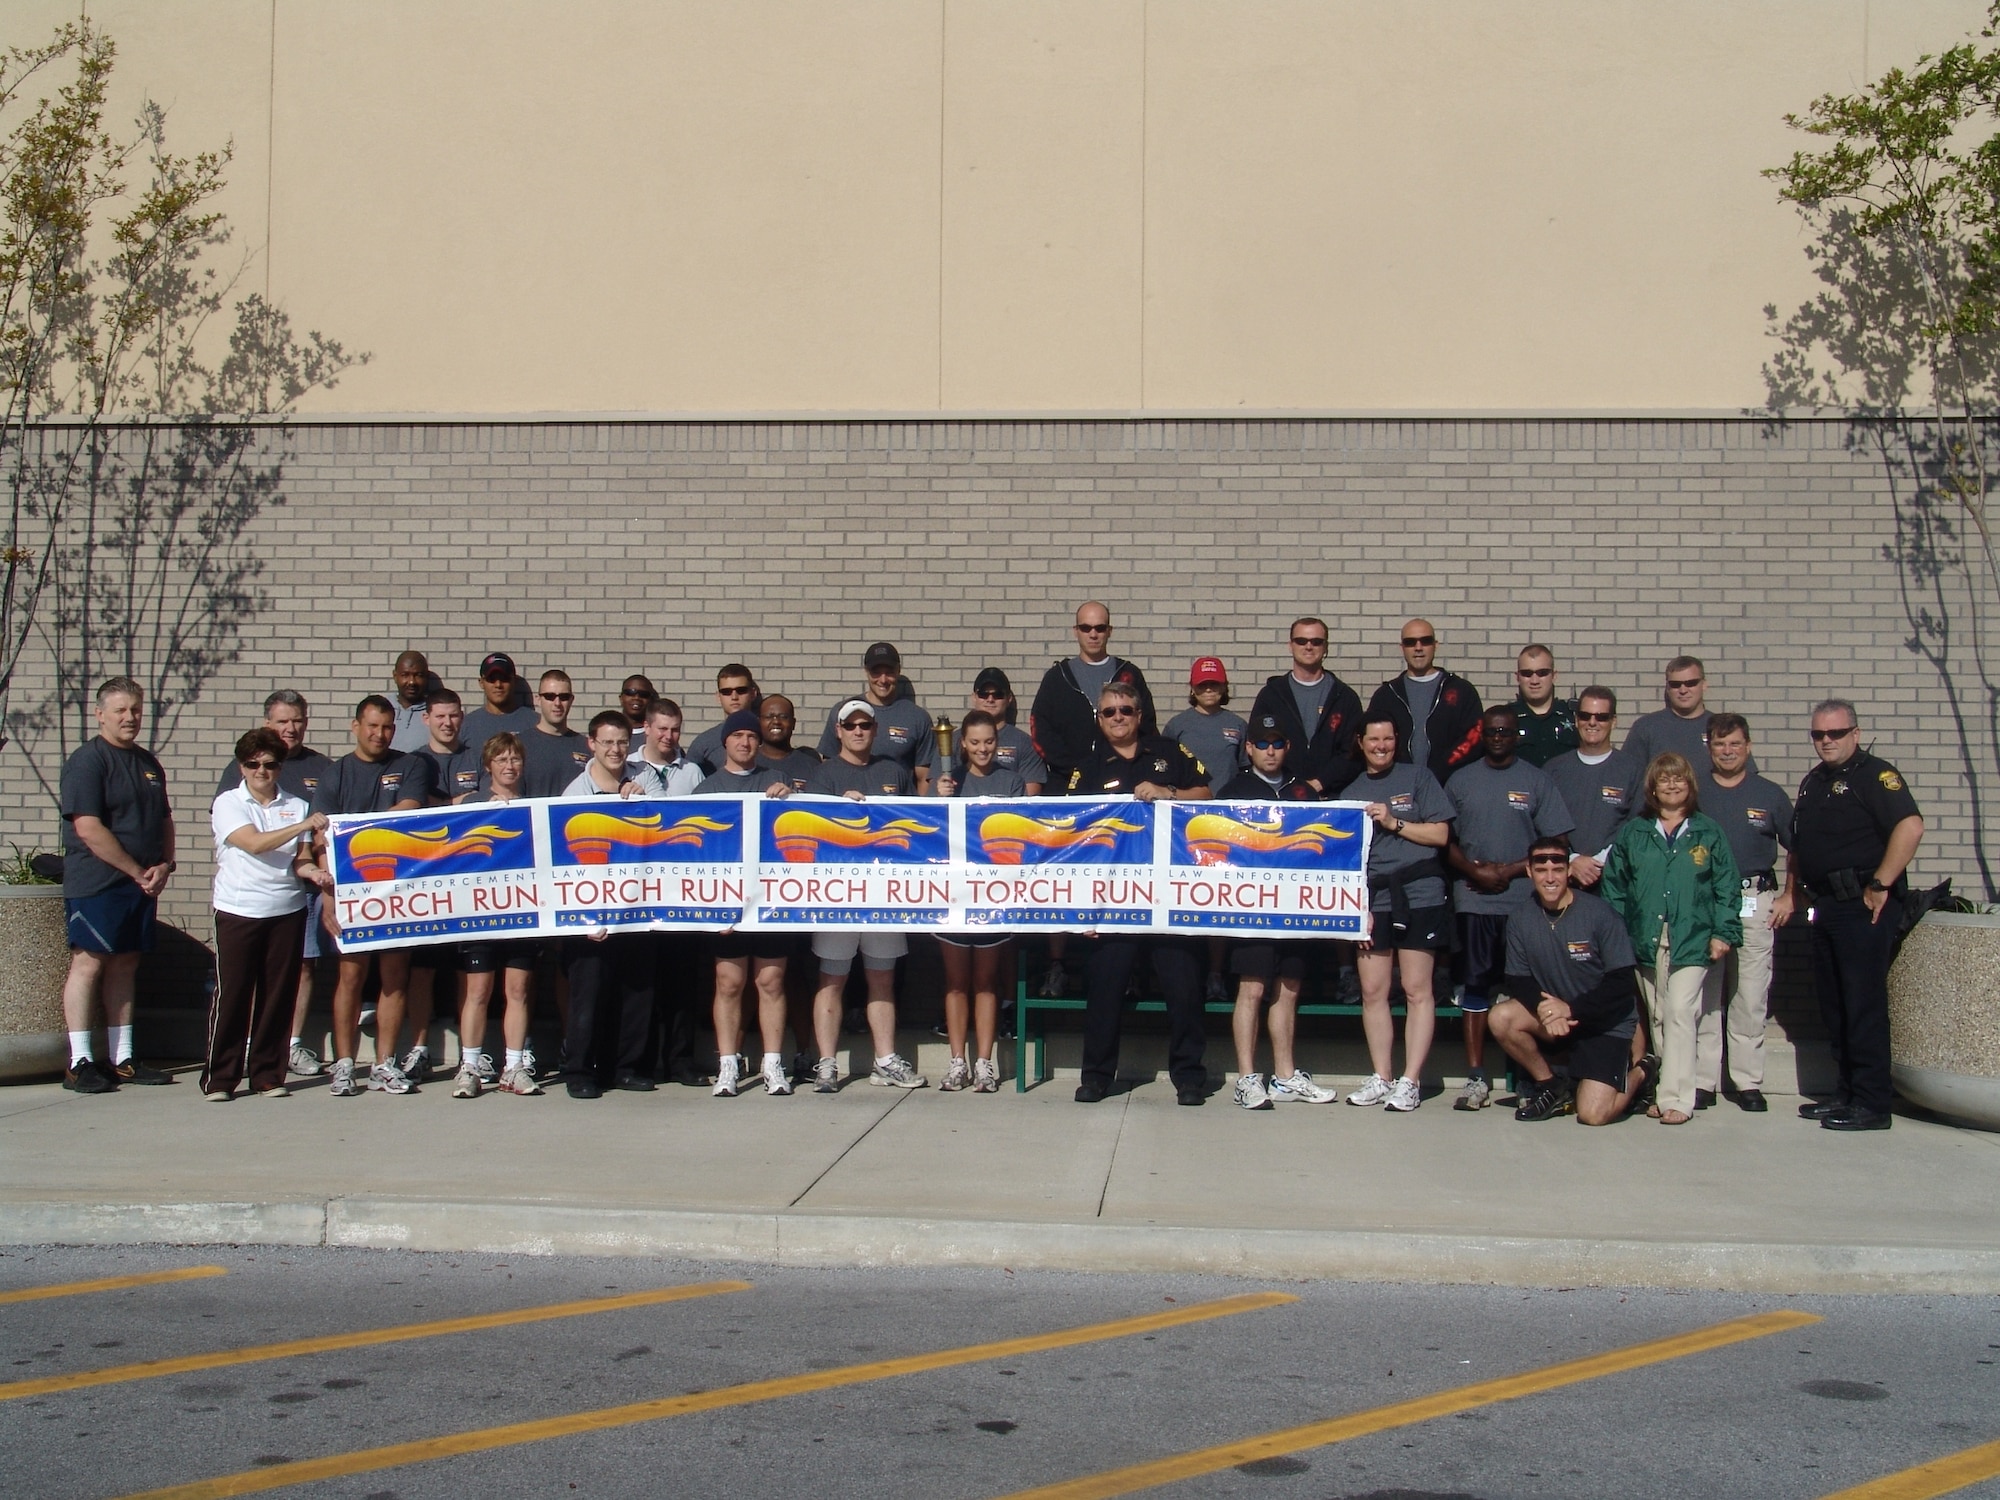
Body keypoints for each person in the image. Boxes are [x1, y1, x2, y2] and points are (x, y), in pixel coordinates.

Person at [1066, 681, 1213, 1105]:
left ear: (1139, 714)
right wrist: (1085, 909)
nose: (1118, 718)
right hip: (1112, 901)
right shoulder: (1088, 765)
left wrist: (1168, 793)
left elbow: (1206, 794)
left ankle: (1189, 1077)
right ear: (1099, 718)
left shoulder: (1168, 752)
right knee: (1104, 991)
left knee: (1184, 988)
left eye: (1125, 710)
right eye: (1109, 712)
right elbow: (1076, 835)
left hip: (1169, 894)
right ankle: (1095, 1076)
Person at [1791, 698, 1923, 1133]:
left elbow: (1910, 826)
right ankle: (1845, 1091)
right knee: (1836, 1003)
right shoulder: (1815, 781)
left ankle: (1872, 1101)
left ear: (1856, 733)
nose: (1826, 741)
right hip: (1827, 904)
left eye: (1835, 733)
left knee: (1862, 1002)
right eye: (1818, 734)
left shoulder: (1875, 776)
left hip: (1863, 904)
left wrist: (1881, 883)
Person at [1444, 706, 1576, 1110]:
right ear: (1482, 734)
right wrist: (1474, 871)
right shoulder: (1461, 780)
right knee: (1477, 986)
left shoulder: (1537, 781)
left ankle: (1531, 1079)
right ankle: (1476, 1078)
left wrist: (1512, 869)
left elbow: (1558, 842)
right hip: (1475, 903)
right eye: (1491, 731)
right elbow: (1441, 838)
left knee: (1526, 989)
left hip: (1524, 904)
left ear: (1516, 734)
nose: (1498, 737)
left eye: (1505, 731)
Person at [1601, 752, 1742, 1125]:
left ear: (1690, 785)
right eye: (1664, 780)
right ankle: (1664, 1091)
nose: (1672, 785)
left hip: (1692, 939)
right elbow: (1614, 886)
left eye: (1679, 779)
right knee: (1660, 1016)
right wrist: (1617, 935)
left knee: (1680, 1011)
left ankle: (1680, 1098)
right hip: (1645, 938)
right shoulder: (1635, 832)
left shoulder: (1707, 832)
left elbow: (1727, 888)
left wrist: (1723, 932)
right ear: (1653, 787)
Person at [310, 695, 434, 1098]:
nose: (380, 735)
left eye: (387, 727)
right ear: (356, 726)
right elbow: (321, 839)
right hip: (349, 893)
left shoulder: (409, 765)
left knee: (395, 979)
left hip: (397, 890)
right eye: (372, 726)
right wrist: (328, 895)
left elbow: (411, 807)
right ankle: (345, 1065)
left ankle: (384, 1064)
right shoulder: (336, 774)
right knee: (351, 977)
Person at [58, 677, 177, 1093]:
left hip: (140, 885)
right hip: (99, 882)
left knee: (126, 963)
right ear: (100, 714)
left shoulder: (147, 763)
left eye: (136, 710)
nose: (130, 718)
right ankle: (79, 1061)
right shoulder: (88, 762)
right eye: (121, 710)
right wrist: (133, 869)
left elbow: (164, 820)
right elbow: (88, 828)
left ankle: (122, 1056)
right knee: (89, 962)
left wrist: (164, 864)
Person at [1213, 715, 1337, 1109]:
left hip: (1295, 909)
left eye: (1277, 743)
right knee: (1252, 988)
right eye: (1262, 744)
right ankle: (1247, 1078)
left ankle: (1284, 1077)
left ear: (1287, 748)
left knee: (1289, 988)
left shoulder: (1302, 791)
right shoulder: (1234, 791)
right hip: (1251, 910)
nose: (1270, 751)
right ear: (1248, 748)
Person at [1488, 835, 1656, 1124]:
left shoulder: (1601, 915)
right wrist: (1545, 1009)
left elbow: (1621, 983)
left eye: (1557, 869)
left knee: (1592, 1115)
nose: (1550, 878)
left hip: (1604, 1024)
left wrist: (1572, 1009)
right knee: (1501, 1017)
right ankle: (1553, 1086)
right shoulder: (1520, 918)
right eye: (1541, 870)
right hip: (1558, 1019)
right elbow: (1518, 978)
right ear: (1530, 872)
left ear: (1568, 871)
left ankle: (1643, 1070)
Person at [803, 700, 926, 1090]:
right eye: (850, 724)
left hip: (884, 897)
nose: (858, 731)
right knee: (832, 979)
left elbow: (916, 826)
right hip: (837, 896)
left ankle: (885, 1060)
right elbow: (810, 836)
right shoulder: (823, 777)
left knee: (882, 978)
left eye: (865, 724)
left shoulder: (893, 771)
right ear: (837, 730)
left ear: (875, 730)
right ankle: (826, 1063)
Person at [212, 689, 334, 1080]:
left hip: (286, 911)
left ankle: (268, 1075)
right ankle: (222, 1077)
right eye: (253, 765)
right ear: (242, 767)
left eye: (270, 765)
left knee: (277, 997)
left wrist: (314, 873)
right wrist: (302, 825)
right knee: (234, 996)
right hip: (239, 910)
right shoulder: (229, 803)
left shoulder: (296, 804)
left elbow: (298, 859)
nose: (262, 771)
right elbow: (254, 843)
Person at [1350, 710, 1455, 1112]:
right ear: (1360, 742)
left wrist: (1394, 822)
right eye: (1374, 740)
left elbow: (1441, 834)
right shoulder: (1353, 791)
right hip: (1374, 901)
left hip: (1421, 894)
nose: (1381, 747)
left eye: (1388, 740)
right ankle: (1382, 1076)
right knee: (1373, 991)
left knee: (1416, 990)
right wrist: (1358, 907)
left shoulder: (1419, 778)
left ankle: (1410, 1080)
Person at [554, 713, 657, 1098]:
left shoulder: (644, 780)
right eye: (607, 743)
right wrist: (582, 917)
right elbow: (564, 864)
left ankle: (627, 1068)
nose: (615, 750)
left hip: (636, 909)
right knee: (589, 994)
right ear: (591, 744)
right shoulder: (574, 794)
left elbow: (662, 833)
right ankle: (581, 1070)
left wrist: (645, 803)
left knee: (636, 992)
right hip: (591, 916)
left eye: (621, 743)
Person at [1697, 713, 1795, 1113]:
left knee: (1750, 994)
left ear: (1748, 746)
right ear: (1710, 747)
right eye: (1720, 744)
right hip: (1706, 903)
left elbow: (1798, 846)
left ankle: (1747, 1081)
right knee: (1706, 994)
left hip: (1756, 899)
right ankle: (1702, 1081)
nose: (1728, 751)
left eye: (1735, 743)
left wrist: (1791, 896)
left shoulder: (1769, 794)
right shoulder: (1695, 793)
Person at [932, 710, 1025, 1092]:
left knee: (986, 982)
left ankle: (985, 1063)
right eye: (974, 742)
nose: (983, 748)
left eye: (989, 741)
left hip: (994, 896)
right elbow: (930, 834)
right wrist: (937, 798)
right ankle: (958, 1062)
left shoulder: (1013, 781)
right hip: (954, 896)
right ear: (962, 745)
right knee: (956, 982)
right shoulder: (949, 781)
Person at [397, 686, 482, 1085]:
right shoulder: (412, 763)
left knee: (469, 968)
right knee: (423, 970)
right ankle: (419, 1048)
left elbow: (481, 806)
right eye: (440, 716)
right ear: (426, 719)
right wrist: (453, 805)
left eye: (454, 716)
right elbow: (412, 815)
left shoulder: (475, 757)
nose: (448, 723)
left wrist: (441, 806)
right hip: (426, 885)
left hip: (469, 879)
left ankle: (471, 1055)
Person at [452, 733, 542, 1098]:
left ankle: (514, 1065)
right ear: (488, 765)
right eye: (501, 759)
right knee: (478, 990)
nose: (509, 766)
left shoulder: (536, 808)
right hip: (480, 915)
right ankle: (470, 1066)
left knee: (518, 990)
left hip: (521, 913)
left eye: (515, 759)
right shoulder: (467, 804)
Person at [1030, 601, 1157, 786]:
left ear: (1109, 631)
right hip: (1067, 782)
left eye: (1100, 628)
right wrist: (1076, 770)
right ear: (1076, 631)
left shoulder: (1128, 674)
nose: (1093, 634)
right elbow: (1040, 730)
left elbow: (1147, 725)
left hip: (1124, 780)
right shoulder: (1057, 677)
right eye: (1085, 628)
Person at [1248, 616, 1365, 796]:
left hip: (1331, 798)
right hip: (1280, 796)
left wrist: (1319, 783)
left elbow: (1353, 754)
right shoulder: (1271, 695)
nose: (1308, 646)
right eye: (1301, 641)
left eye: (1316, 642)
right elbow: (1257, 747)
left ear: (1326, 647)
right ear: (1290, 645)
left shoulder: (1345, 697)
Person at [1543, 686, 1644, 892]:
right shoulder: (1553, 770)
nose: (1592, 722)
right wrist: (1572, 859)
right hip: (1563, 881)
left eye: (1601, 717)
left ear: (1613, 721)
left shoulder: (1633, 769)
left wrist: (1600, 861)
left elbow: (1637, 825)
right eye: (1585, 715)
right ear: (1576, 719)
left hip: (1615, 882)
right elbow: (1543, 825)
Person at [1367, 618, 1484, 785]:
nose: (1418, 648)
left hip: (1450, 786)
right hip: (1398, 787)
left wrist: (1439, 771)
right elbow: (1372, 741)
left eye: (1426, 641)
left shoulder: (1461, 691)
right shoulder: (1386, 696)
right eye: (1410, 642)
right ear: (1402, 648)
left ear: (1435, 645)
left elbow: (1473, 739)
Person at [815, 642, 935, 793]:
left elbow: (924, 778)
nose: (883, 680)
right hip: (848, 806)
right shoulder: (842, 712)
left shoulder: (918, 717)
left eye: (889, 672)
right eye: (876, 672)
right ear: (866, 672)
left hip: (894, 808)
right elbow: (829, 766)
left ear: (898, 670)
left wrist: (919, 814)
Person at [1624, 655, 1745, 771]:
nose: (1683, 690)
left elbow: (1744, 776)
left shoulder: (1723, 727)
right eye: (1675, 685)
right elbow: (1628, 775)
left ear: (1704, 685)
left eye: (1691, 683)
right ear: (1667, 688)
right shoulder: (1647, 727)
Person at [939, 668, 1046, 793]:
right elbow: (930, 799)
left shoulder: (1014, 777)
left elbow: (1028, 802)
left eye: (998, 694)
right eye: (984, 694)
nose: (990, 699)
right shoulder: (949, 744)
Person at [1166, 657, 1247, 795]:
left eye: (1214, 684)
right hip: (1188, 806)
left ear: (1224, 686)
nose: (1208, 689)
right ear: (1192, 688)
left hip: (1227, 806)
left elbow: (1246, 770)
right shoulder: (1176, 725)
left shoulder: (1238, 724)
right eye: (1202, 684)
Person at [1508, 644, 1579, 768]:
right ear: (1517, 677)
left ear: (1554, 675)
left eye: (1542, 673)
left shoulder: (1573, 716)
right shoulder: (1506, 718)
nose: (1534, 680)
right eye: (1527, 673)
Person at [522, 669, 589, 797]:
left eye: (563, 697)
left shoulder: (587, 747)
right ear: (538, 699)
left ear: (571, 700)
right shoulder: (519, 746)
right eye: (550, 696)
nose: (557, 703)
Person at [688, 663, 762, 774]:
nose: (734, 697)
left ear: (753, 693)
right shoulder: (704, 743)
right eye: (726, 692)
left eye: (741, 690)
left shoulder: (768, 737)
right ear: (718, 696)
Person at [460, 653, 537, 757]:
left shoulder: (535, 722)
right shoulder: (466, 725)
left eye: (504, 678)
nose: (498, 685)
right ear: (481, 682)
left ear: (514, 681)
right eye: (491, 679)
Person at [626, 698, 704, 797]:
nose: (669, 736)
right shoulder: (627, 766)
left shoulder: (692, 772)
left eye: (675, 730)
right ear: (647, 727)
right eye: (663, 729)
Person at [756, 695, 825, 791]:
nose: (776, 721)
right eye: (769, 716)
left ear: (793, 723)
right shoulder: (747, 761)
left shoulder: (810, 764)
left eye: (783, 717)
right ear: (759, 722)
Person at [388, 650, 434, 752]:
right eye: (405, 675)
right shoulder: (383, 708)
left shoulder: (436, 713)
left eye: (419, 675)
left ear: (427, 677)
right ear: (395, 676)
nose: (412, 682)